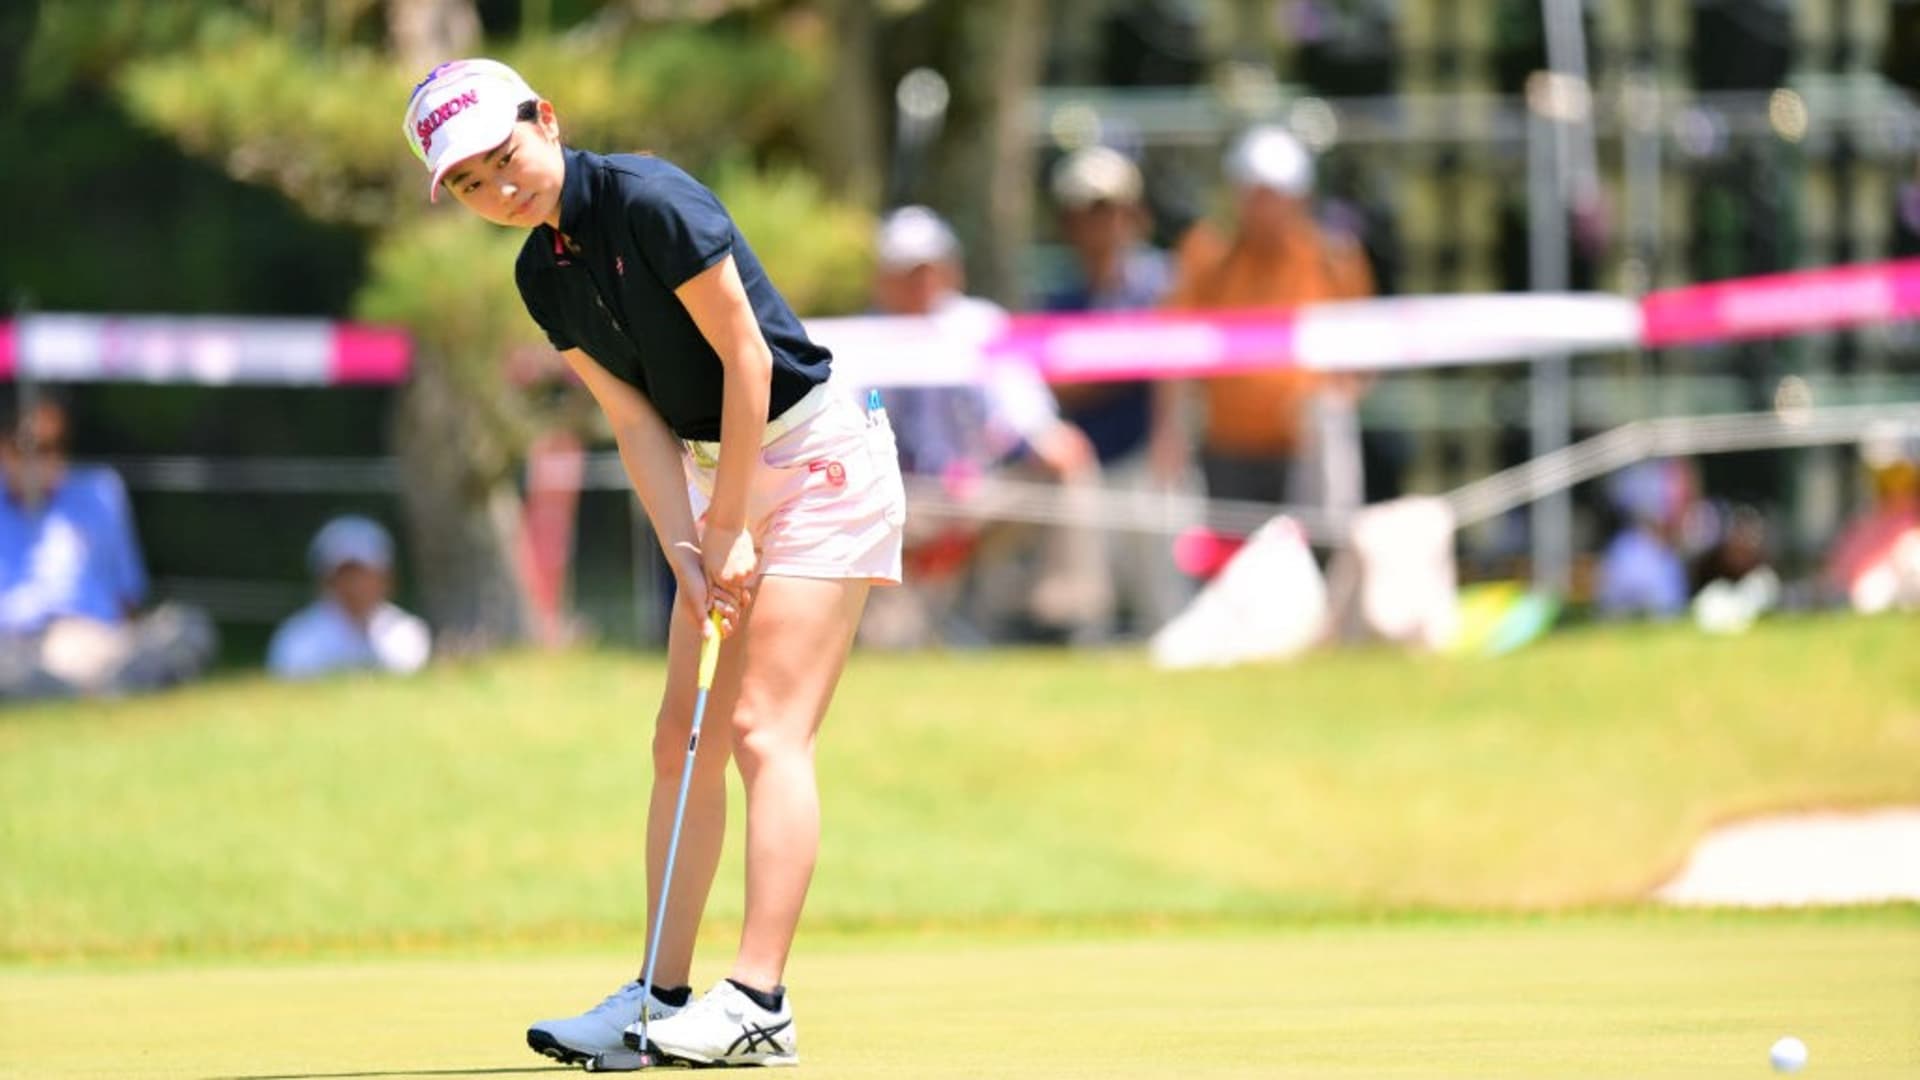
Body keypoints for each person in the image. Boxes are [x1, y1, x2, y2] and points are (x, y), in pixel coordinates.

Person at [402, 59, 905, 1068]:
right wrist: (689, 549)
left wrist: (727, 526)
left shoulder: (649, 198)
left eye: (507, 157)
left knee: (766, 730)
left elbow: (746, 360)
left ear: (546, 120)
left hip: (815, 461)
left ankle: (758, 1000)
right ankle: (658, 999)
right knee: (682, 739)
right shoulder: (540, 273)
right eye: (471, 185)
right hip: (721, 481)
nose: (501, 190)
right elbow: (633, 418)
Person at [858, 205, 1111, 646]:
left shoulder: (978, 324)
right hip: (898, 506)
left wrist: (1043, 438)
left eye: (931, 270)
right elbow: (854, 423)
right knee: (892, 641)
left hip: (979, 494)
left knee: (1068, 462)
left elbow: (1023, 408)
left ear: (952, 271)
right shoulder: (861, 339)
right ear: (884, 278)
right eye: (908, 272)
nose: (923, 284)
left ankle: (1063, 619)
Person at [1163, 126, 1374, 518]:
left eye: (1272, 196)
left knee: (1311, 561)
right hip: (1224, 447)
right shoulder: (1207, 254)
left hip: (1305, 457)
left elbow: (1363, 360)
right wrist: (1170, 435)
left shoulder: (1335, 258)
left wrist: (1330, 400)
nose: (1261, 208)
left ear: (1299, 197)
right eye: (1252, 195)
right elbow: (1176, 351)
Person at [1039, 146, 1190, 637]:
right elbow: (1058, 387)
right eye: (1087, 212)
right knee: (1090, 612)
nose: (1101, 224)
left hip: (1152, 460)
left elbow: (1176, 369)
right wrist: (1123, 360)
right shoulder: (1060, 297)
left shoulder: (1162, 285)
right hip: (1088, 469)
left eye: (1110, 209)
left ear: (1133, 214)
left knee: (1165, 605)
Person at [0, 391, 212, 699]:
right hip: (15, 648)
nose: (47, 460)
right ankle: (90, 693)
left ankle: (91, 689)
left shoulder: (100, 492)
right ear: (4, 449)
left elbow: (127, 598)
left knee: (189, 628)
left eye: (56, 446)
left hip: (93, 643)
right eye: (34, 448)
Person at [267, 516, 431, 680]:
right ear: (325, 580)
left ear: (387, 578)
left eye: (365, 574)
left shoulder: (408, 633)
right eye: (346, 574)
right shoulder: (296, 638)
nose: (356, 584)